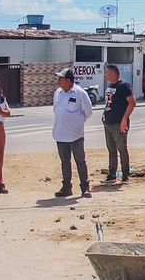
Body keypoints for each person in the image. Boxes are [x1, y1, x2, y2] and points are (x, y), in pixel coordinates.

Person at [51, 68, 92, 197]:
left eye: (61, 78)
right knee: (65, 161)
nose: (58, 81)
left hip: (76, 135)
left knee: (80, 161)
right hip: (60, 133)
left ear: (68, 80)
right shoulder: (58, 93)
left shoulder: (80, 93)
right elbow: (55, 110)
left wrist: (78, 122)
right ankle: (66, 187)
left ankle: (85, 187)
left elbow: (88, 112)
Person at [102, 63, 134, 183]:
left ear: (114, 73)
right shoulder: (110, 86)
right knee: (111, 149)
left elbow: (132, 102)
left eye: (108, 73)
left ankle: (125, 175)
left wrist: (125, 119)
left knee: (122, 149)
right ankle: (112, 175)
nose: (106, 75)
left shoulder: (124, 86)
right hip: (108, 122)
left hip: (119, 123)